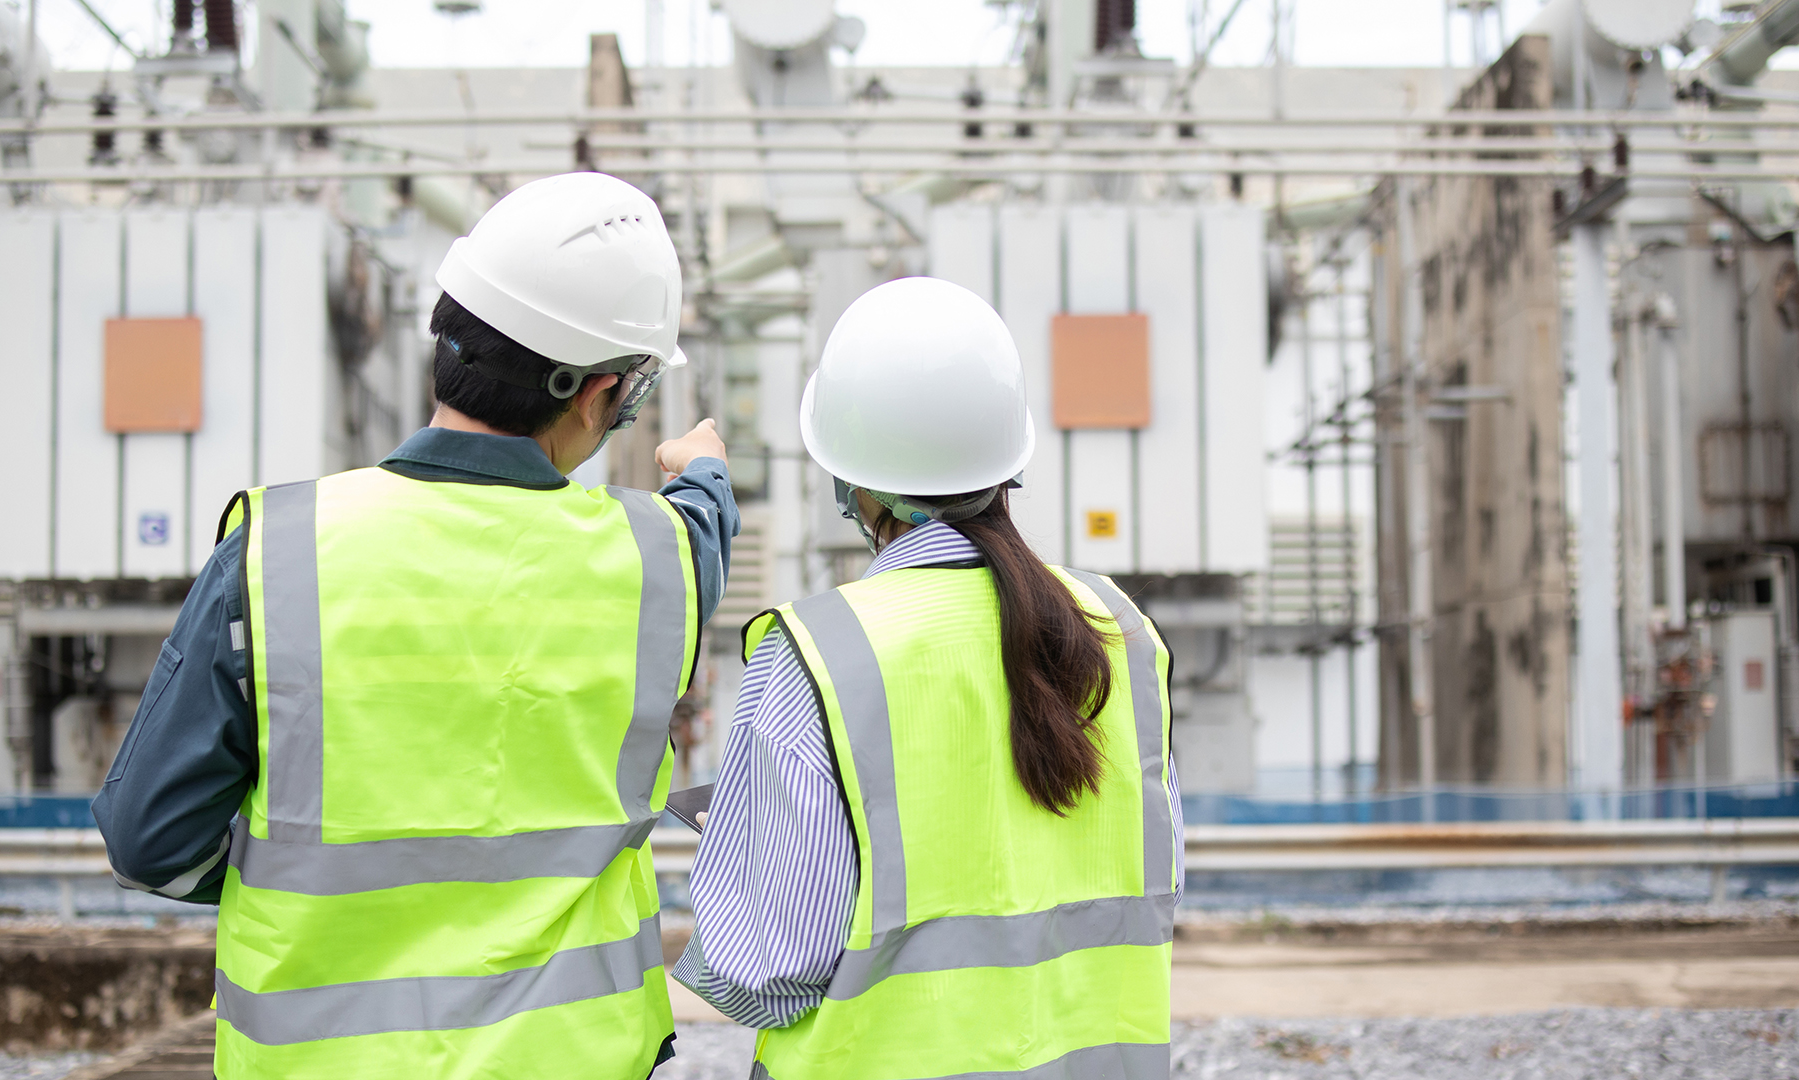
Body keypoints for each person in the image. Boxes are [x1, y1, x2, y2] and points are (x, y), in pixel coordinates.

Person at [93, 172, 738, 1079]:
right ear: (599, 392)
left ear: (449, 332)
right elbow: (705, 516)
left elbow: (147, 840)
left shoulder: (276, 553)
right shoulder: (657, 562)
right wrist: (702, 467)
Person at [675, 276, 1181, 1078]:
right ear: (1008, 460)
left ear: (854, 480)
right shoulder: (1120, 631)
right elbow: (1152, 884)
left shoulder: (819, 651)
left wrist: (749, 846)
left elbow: (764, 971)